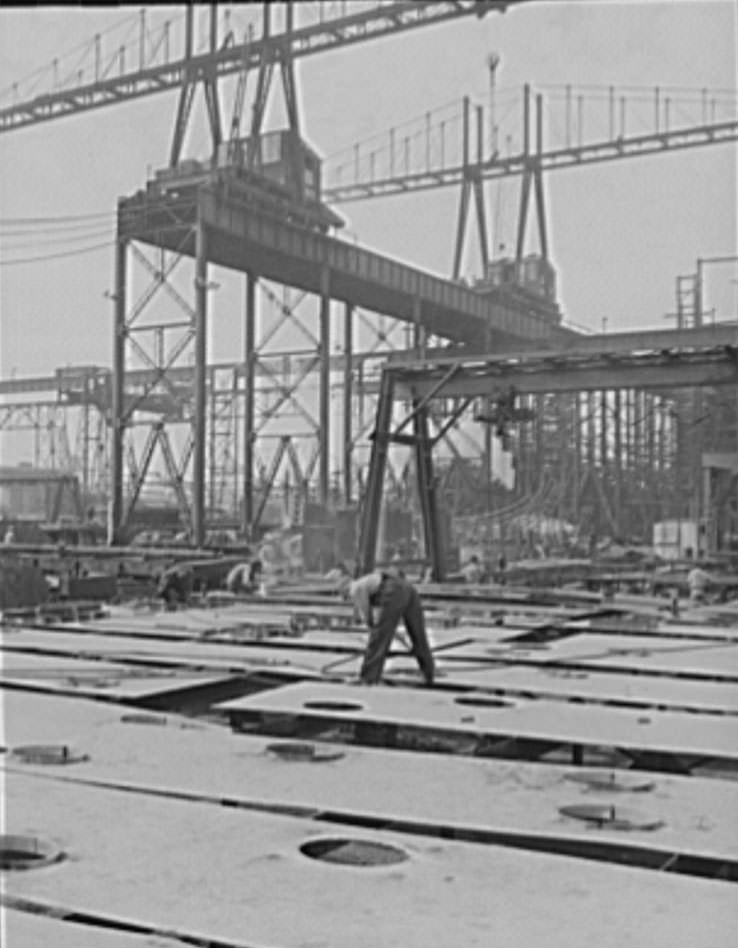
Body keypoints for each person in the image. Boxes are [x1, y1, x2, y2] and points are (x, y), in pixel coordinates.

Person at [343, 571, 435, 686]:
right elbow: (385, 613)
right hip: (409, 589)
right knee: (418, 635)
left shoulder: (355, 588)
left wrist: (373, 628)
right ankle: (428, 673)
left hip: (393, 589)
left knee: (378, 637)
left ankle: (368, 677)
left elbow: (367, 615)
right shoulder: (366, 583)